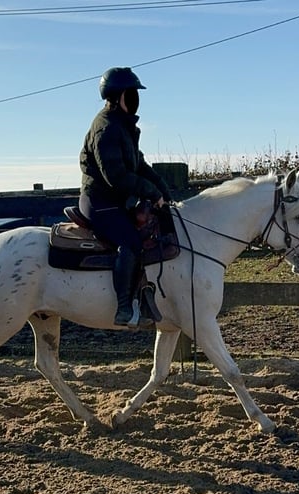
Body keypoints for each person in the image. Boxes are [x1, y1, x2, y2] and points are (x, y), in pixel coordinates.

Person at [79, 67, 171, 326]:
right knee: (130, 242)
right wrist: (151, 192)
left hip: (115, 200)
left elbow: (139, 165)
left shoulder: (124, 127)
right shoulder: (106, 129)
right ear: (119, 96)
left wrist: (163, 190)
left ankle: (144, 295)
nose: (135, 99)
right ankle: (123, 309)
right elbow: (116, 177)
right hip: (99, 202)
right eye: (131, 94)